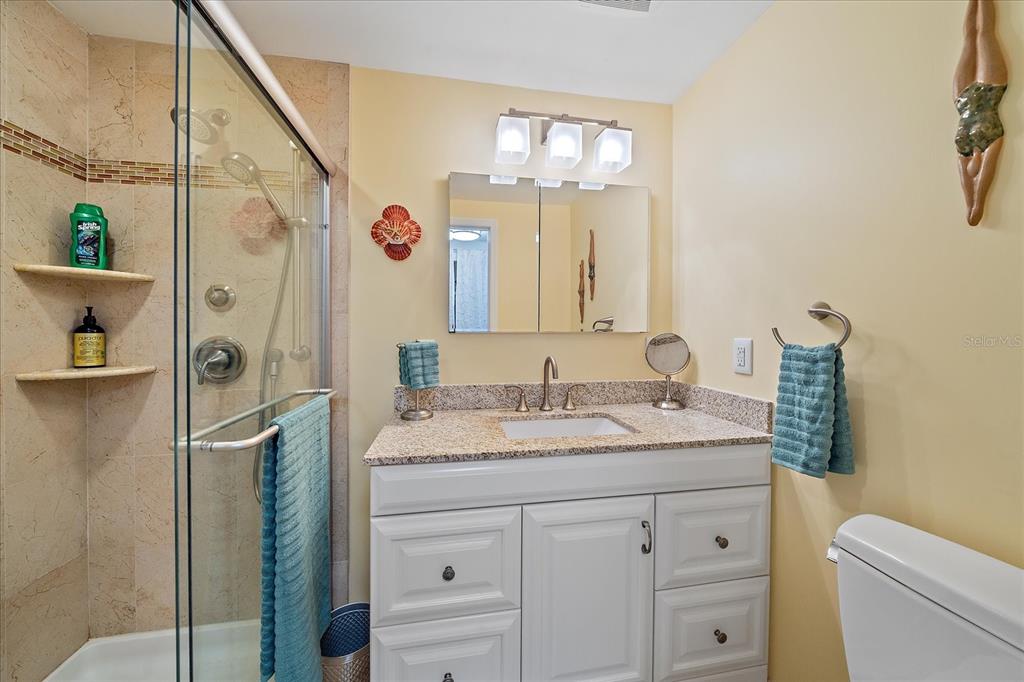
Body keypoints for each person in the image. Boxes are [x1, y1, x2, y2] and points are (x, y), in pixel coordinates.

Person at [953, 0, 1008, 226]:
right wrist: (977, 205)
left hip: (963, 100)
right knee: (984, 34)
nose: (972, 166)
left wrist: (971, 205)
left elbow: (969, 186)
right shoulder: (991, 141)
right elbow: (983, 180)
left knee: (968, 39)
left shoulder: (962, 148)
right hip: (990, 90)